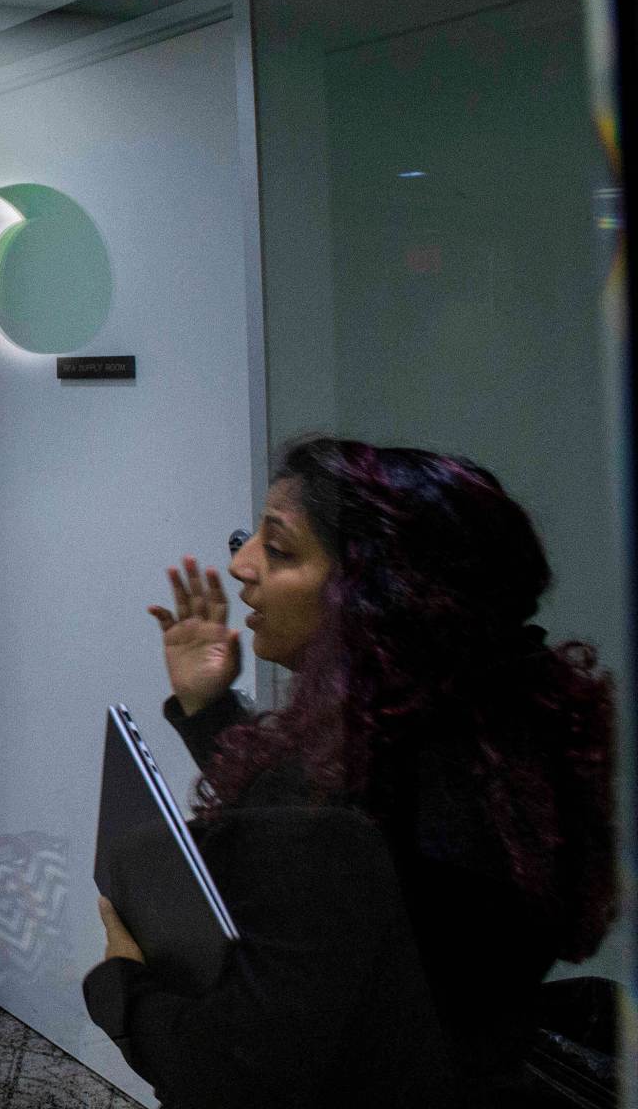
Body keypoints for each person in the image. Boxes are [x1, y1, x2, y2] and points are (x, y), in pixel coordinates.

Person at [85, 438, 617, 1106]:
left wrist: (120, 986)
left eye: (278, 549)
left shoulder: (351, 817)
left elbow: (229, 1071)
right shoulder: (503, 723)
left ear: (379, 593)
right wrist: (211, 708)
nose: (241, 564)